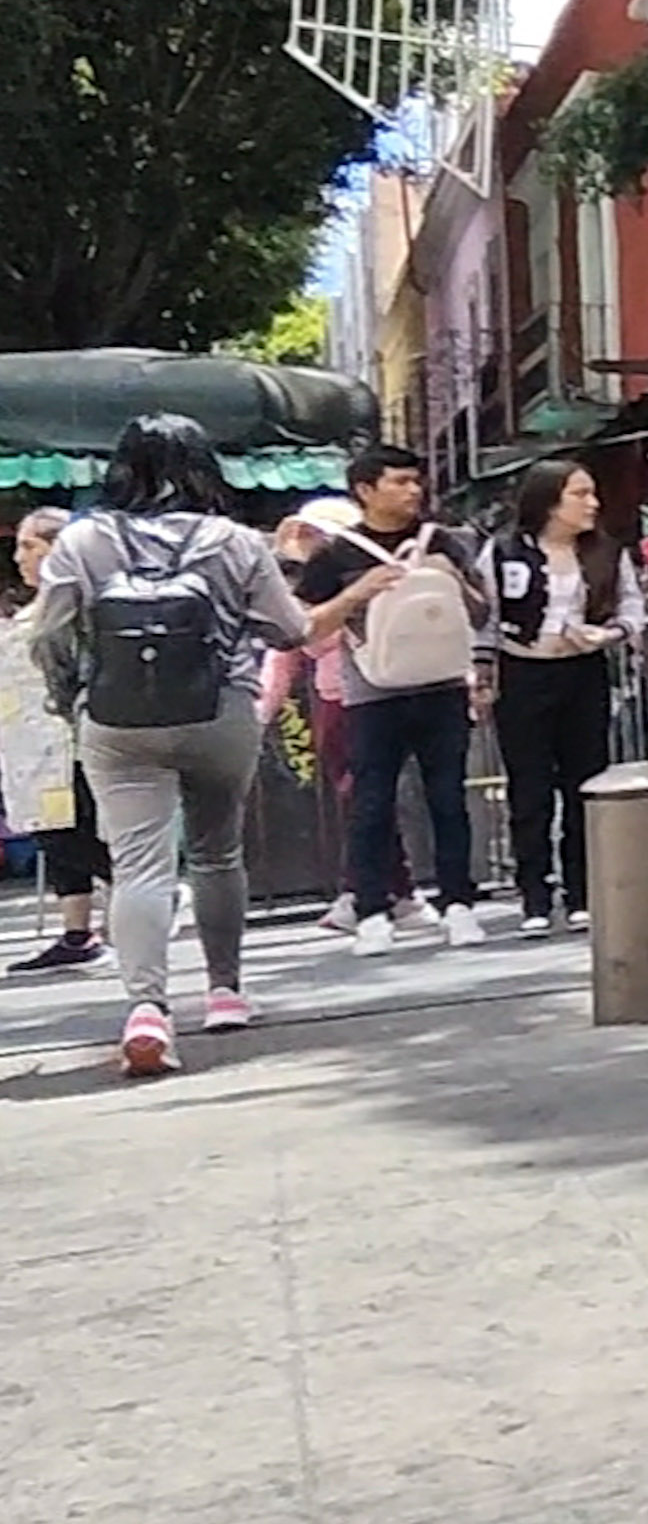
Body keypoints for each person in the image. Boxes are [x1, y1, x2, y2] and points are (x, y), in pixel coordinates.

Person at [26, 416, 308, 1075]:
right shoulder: (234, 541)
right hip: (220, 710)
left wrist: (74, 697)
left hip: (117, 720)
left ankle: (146, 1008)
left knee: (139, 866)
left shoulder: (82, 539)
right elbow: (289, 629)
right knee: (216, 852)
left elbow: (48, 636)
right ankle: (225, 992)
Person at [295, 444, 490, 958]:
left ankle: (459, 903)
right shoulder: (337, 553)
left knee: (448, 797)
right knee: (371, 801)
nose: (413, 491)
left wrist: (453, 580)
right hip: (372, 693)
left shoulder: (443, 541)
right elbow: (305, 624)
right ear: (364, 490)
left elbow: (480, 612)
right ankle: (371, 910)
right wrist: (357, 593)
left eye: (415, 481)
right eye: (399, 482)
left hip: (444, 685)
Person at [480, 460, 643, 937]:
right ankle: (534, 894)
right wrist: (483, 671)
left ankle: (583, 891)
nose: (592, 503)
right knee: (528, 789)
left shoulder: (607, 552)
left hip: (583, 672)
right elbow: (485, 617)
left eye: (592, 493)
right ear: (549, 499)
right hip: (523, 673)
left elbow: (633, 607)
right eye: (580, 493)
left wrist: (607, 633)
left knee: (585, 783)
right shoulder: (504, 551)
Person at [266, 497, 436, 940]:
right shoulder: (310, 592)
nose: (306, 543)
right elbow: (284, 651)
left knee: (363, 797)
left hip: (365, 694)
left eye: (315, 534)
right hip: (332, 699)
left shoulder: (360, 581)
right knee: (358, 798)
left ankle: (371, 889)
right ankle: (387, 889)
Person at [2, 508, 108, 975]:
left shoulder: (79, 606)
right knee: (50, 830)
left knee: (75, 829)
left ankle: (141, 888)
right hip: (27, 742)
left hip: (69, 739)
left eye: (31, 546)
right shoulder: (35, 609)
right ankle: (77, 931)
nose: (19, 556)